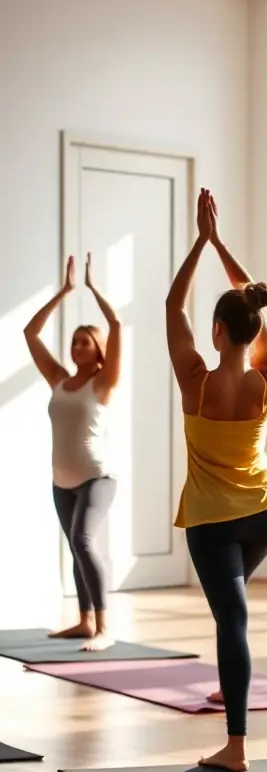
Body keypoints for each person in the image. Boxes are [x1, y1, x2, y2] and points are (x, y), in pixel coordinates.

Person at [167, 188, 267, 772]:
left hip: (213, 520)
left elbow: (172, 307)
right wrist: (224, 248)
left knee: (231, 617)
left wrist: (201, 241)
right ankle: (230, 684)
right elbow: (253, 312)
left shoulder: (197, 381)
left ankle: (236, 746)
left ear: (217, 331)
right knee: (230, 612)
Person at [24, 254, 121, 650]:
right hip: (60, 480)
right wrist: (63, 293)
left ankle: (103, 629)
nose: (76, 346)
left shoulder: (103, 382)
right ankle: (83, 622)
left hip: (97, 477)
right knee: (75, 548)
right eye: (74, 341)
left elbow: (116, 325)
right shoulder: (60, 380)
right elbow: (30, 333)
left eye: (84, 341)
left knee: (83, 542)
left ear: (97, 349)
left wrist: (94, 289)